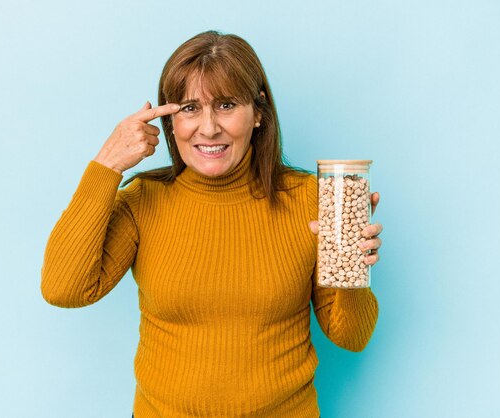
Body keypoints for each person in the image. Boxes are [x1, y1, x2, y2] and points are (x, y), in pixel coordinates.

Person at [41, 30, 383, 418]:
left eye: (225, 105)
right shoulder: (142, 202)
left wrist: (352, 270)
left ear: (258, 113)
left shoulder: (311, 199)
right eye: (189, 108)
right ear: (169, 121)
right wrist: (106, 165)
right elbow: (63, 289)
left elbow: (351, 336)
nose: (207, 128)